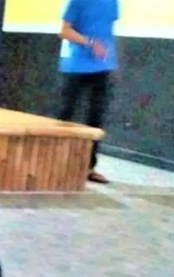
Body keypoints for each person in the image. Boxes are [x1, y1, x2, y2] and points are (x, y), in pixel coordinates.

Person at [57, 0, 119, 184]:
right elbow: (64, 31)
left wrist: (113, 63)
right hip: (75, 65)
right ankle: (56, 163)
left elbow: (107, 32)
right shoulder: (76, 2)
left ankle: (89, 168)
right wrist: (90, 43)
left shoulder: (113, 2)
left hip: (103, 66)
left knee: (96, 118)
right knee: (65, 116)